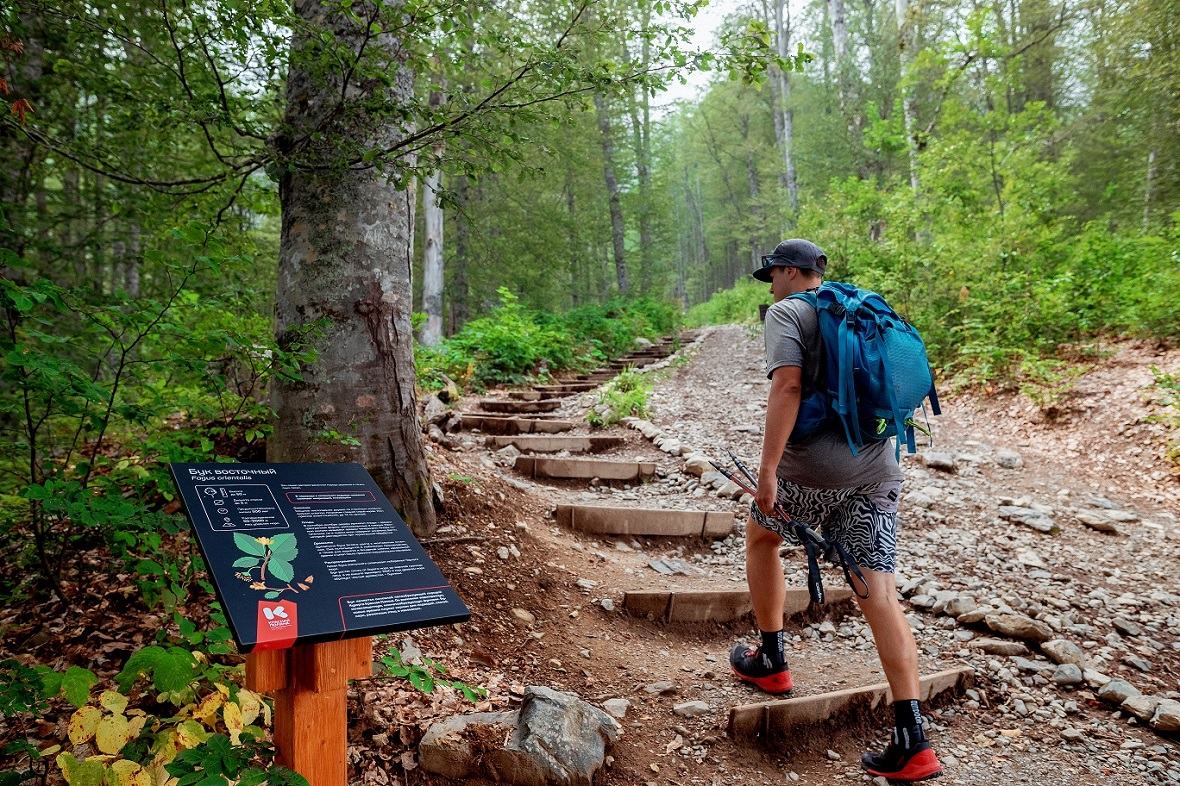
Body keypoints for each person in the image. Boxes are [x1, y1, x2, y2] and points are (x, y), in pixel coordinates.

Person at [729, 238, 942, 782]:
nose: (770, 284)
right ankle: (913, 740)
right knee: (879, 594)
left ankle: (772, 660)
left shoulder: (786, 313)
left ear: (789, 271)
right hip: (877, 471)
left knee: (762, 536)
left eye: (772, 274)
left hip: (810, 473)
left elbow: (788, 386)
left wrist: (769, 471)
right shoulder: (859, 309)